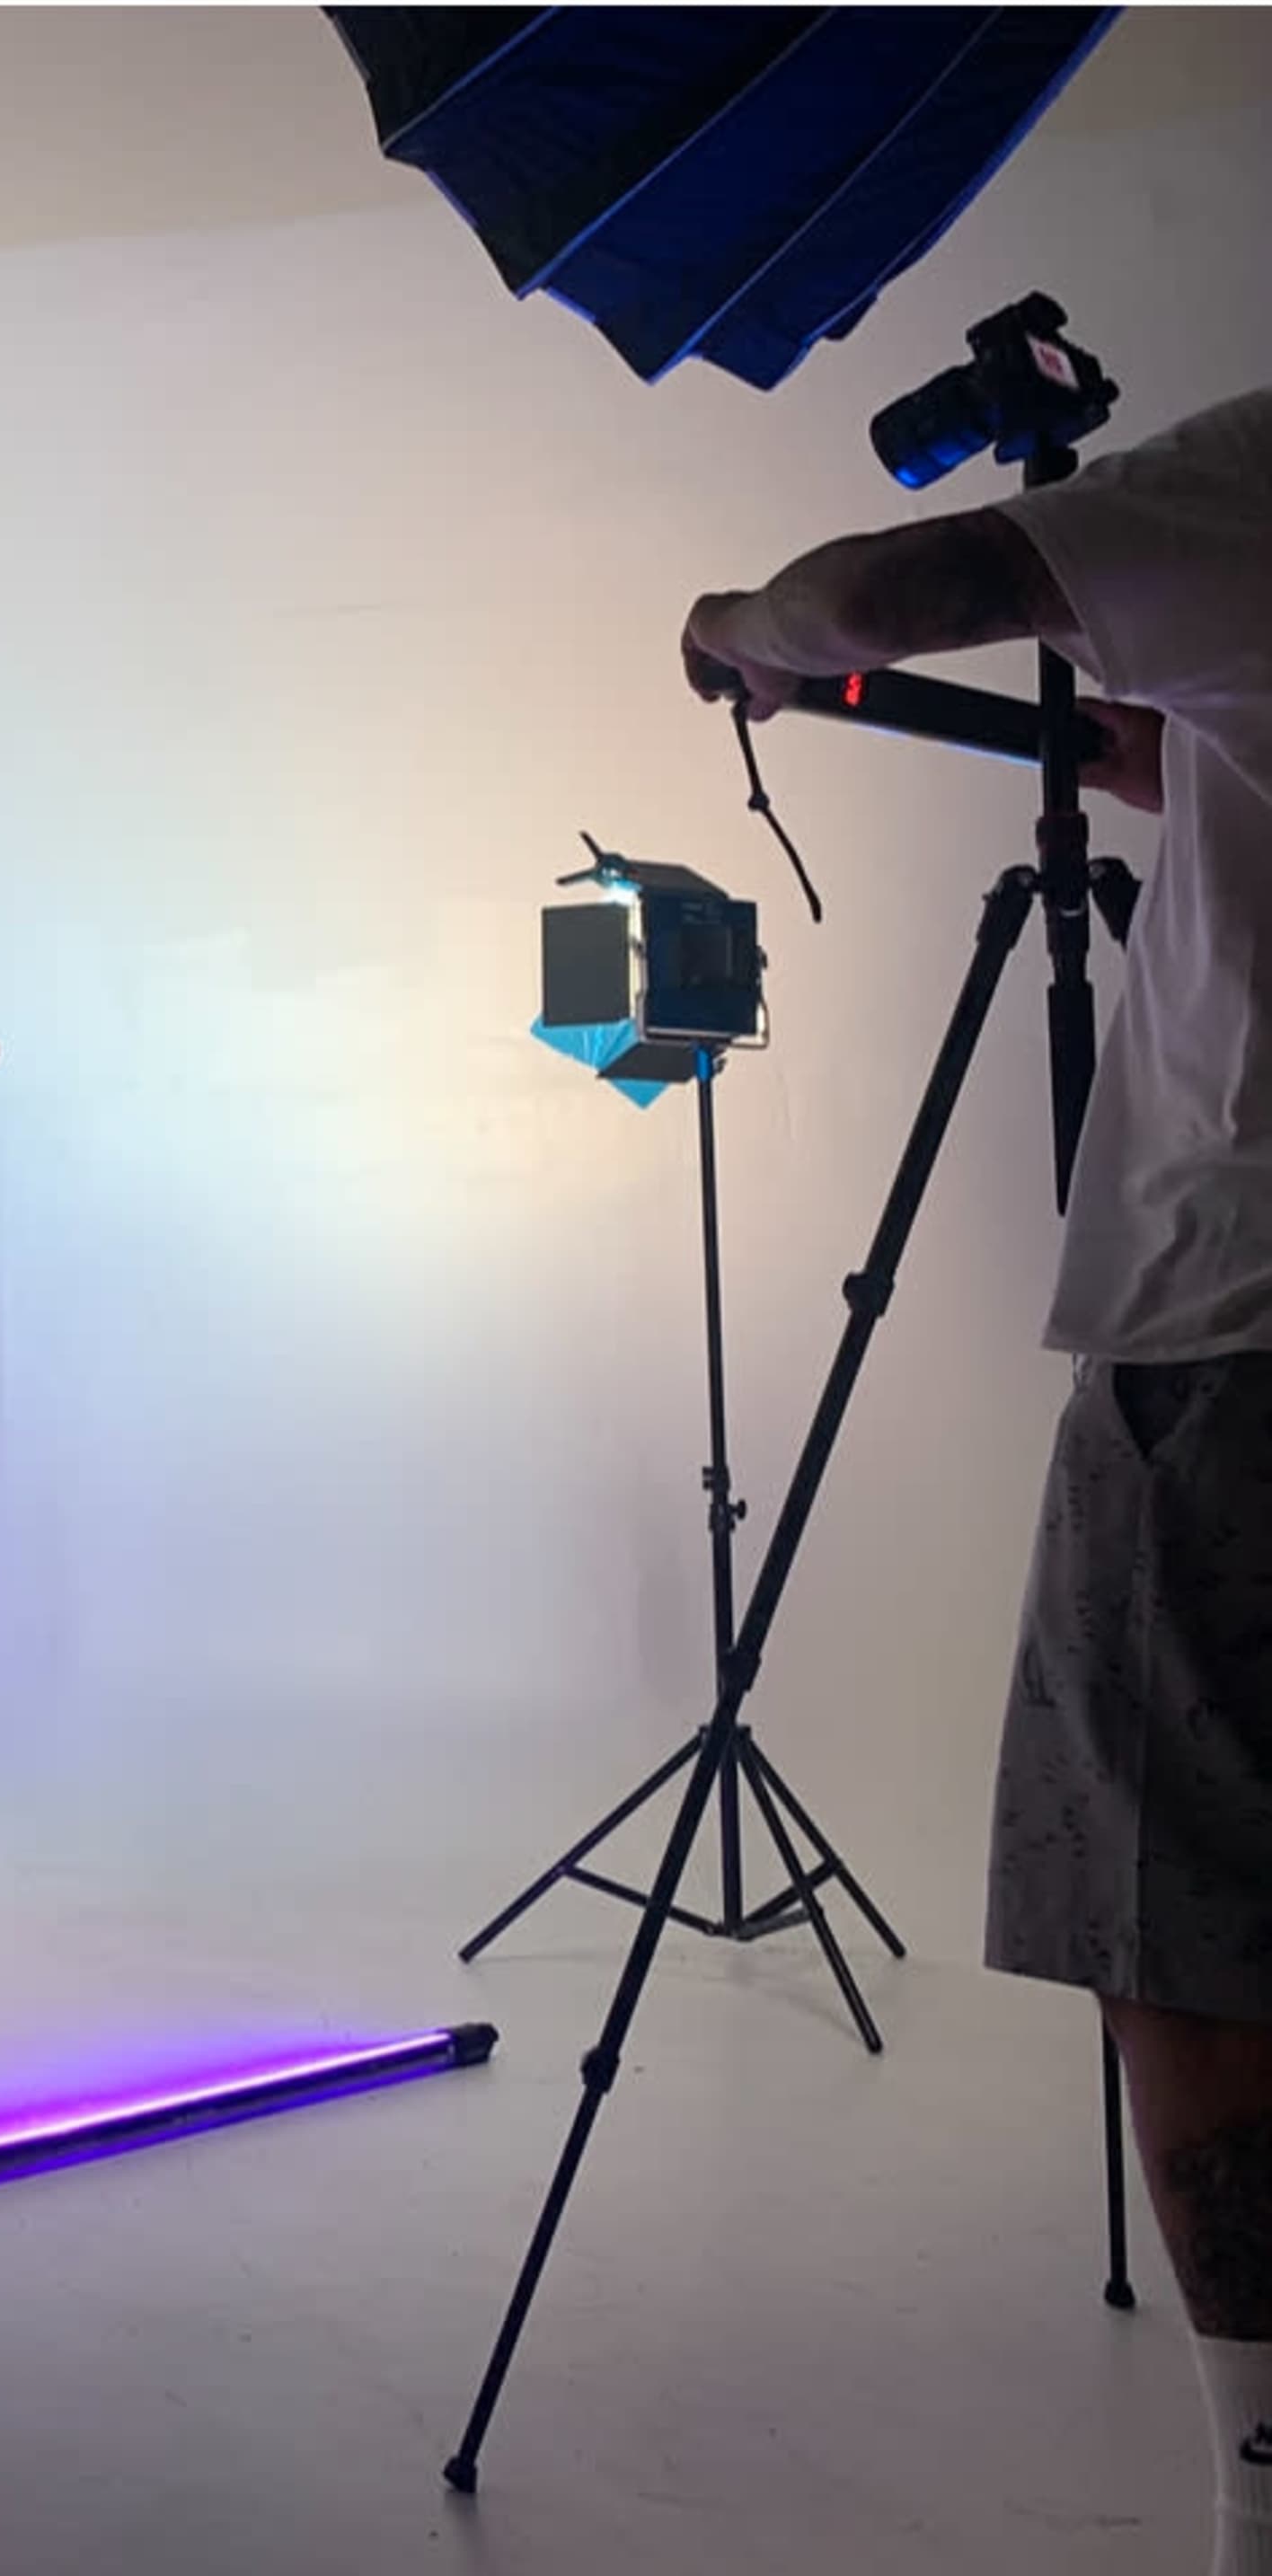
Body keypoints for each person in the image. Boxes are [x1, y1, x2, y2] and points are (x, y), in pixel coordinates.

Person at [685, 384, 1272, 2576]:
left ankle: (1254, 2493)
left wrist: (751, 623)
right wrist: (1177, 759)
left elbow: (892, 591)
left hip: (1235, 1332)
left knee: (1193, 1916)